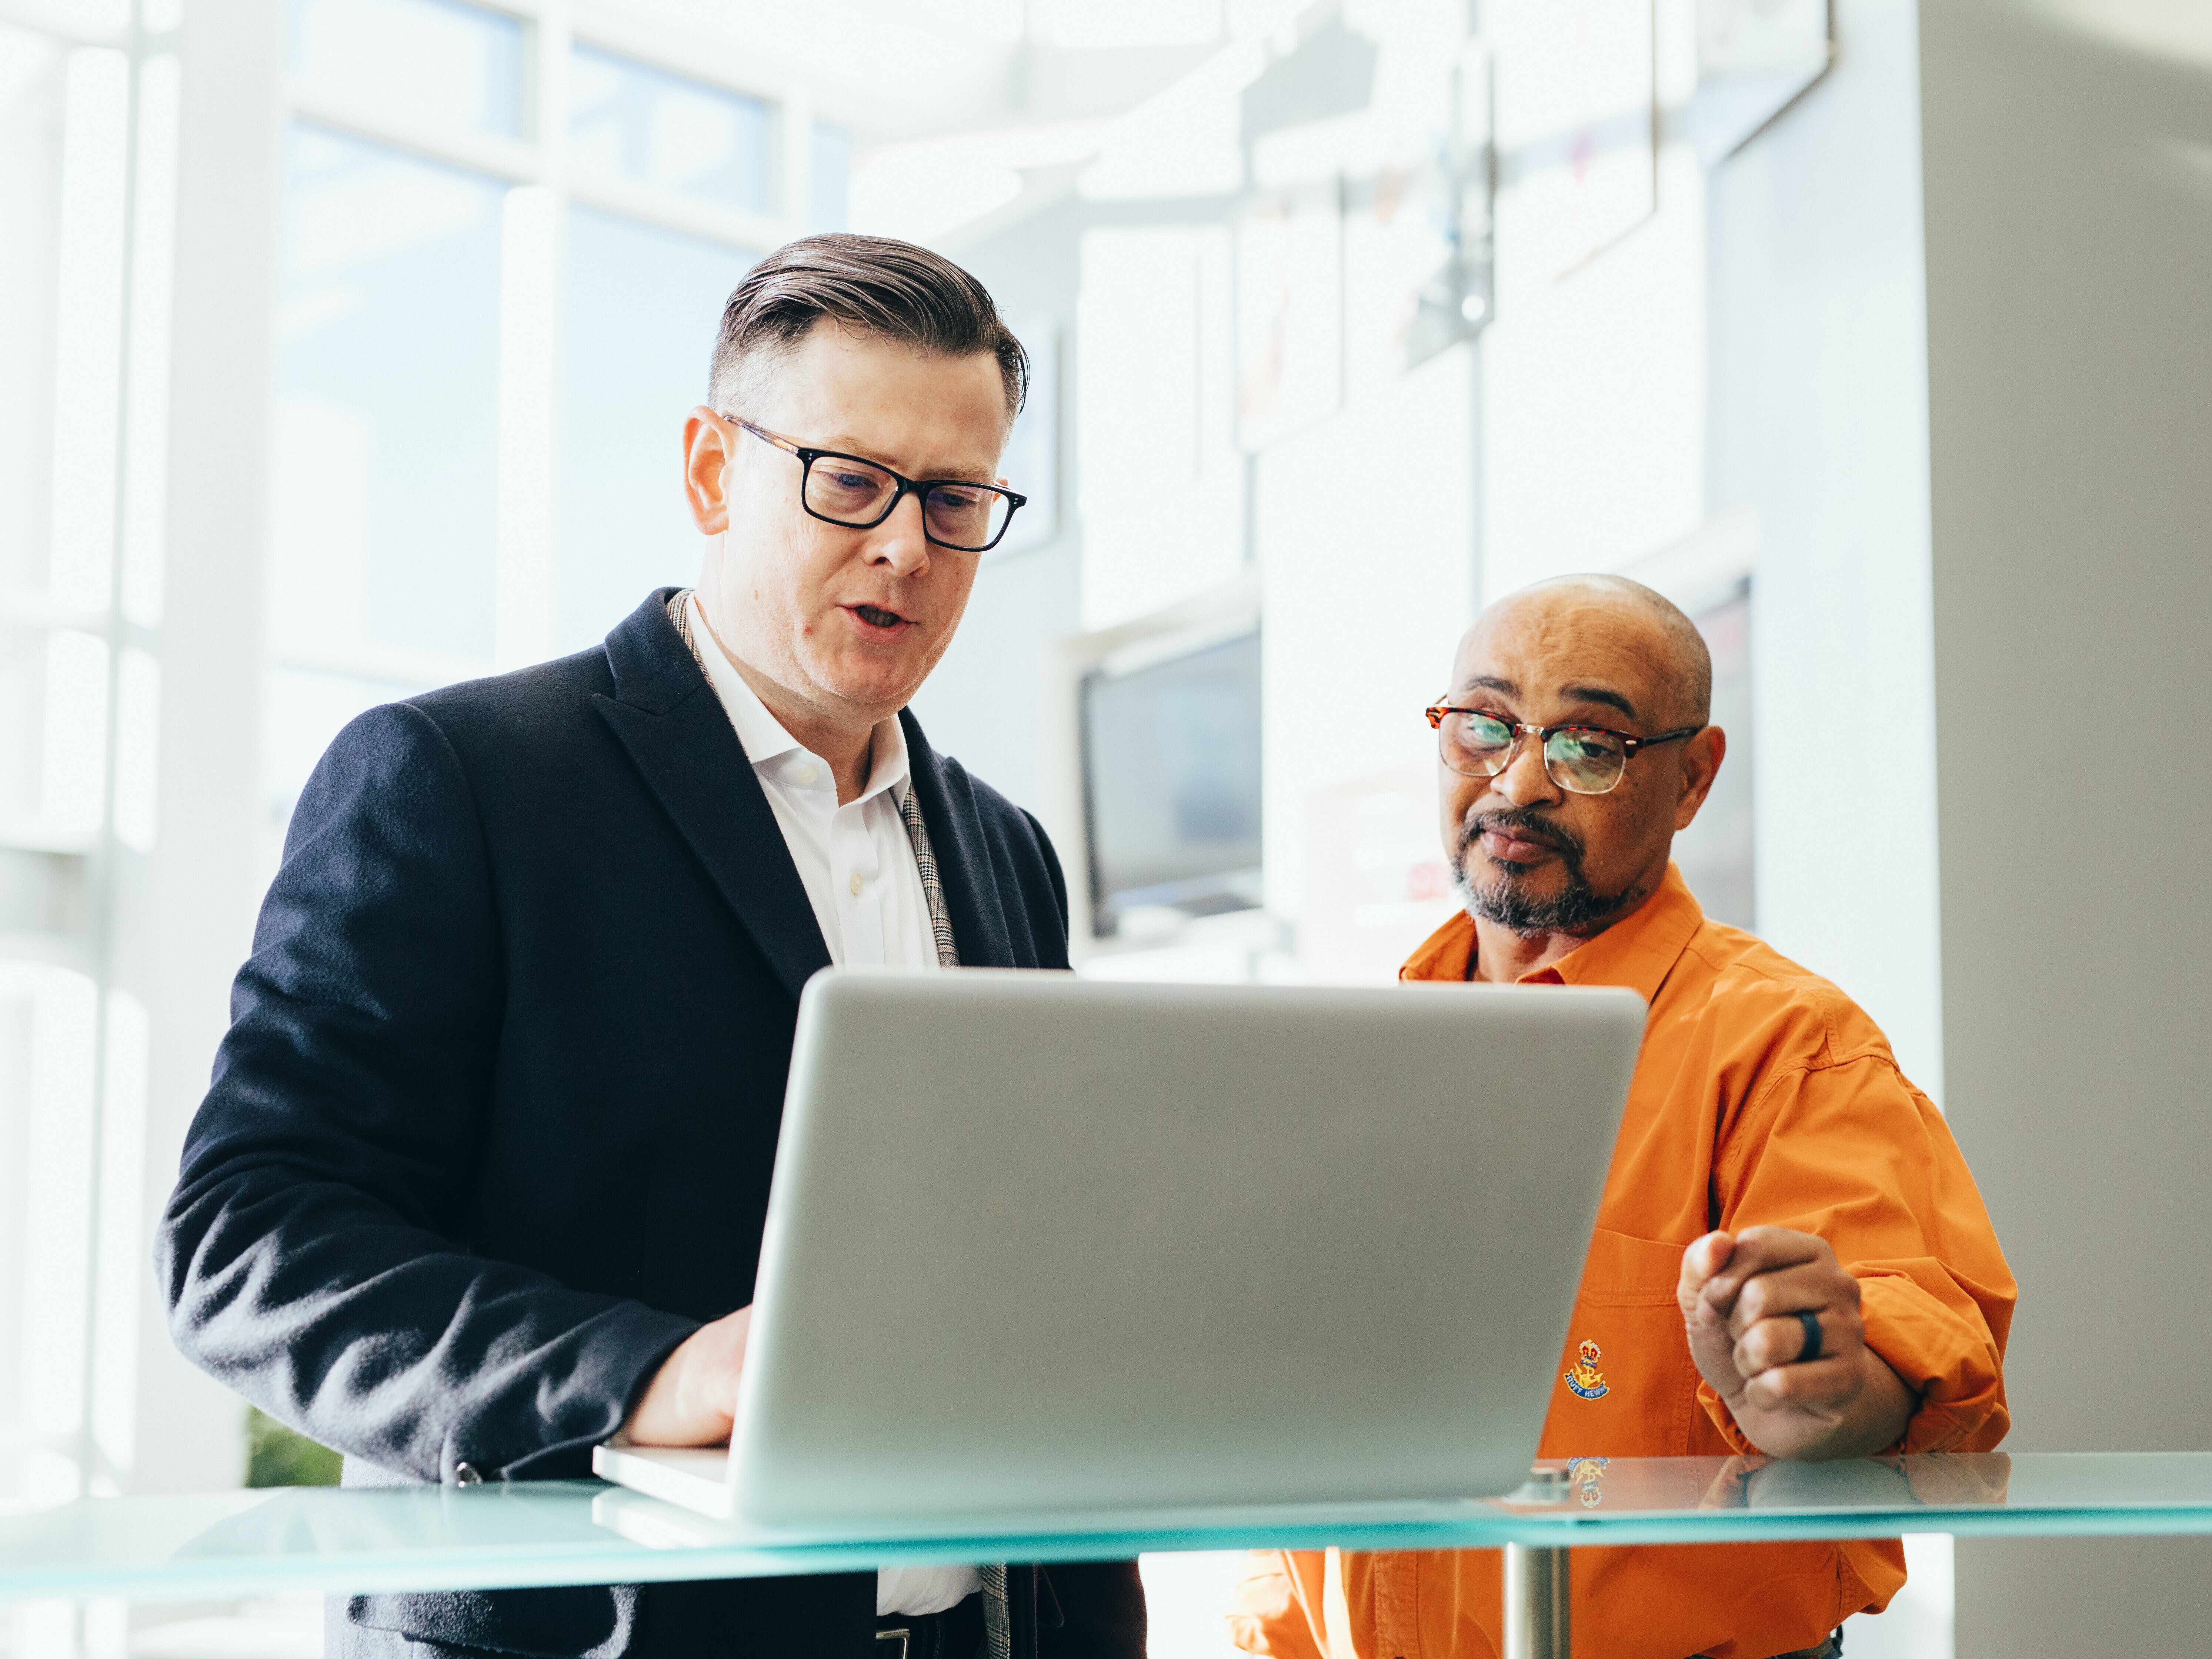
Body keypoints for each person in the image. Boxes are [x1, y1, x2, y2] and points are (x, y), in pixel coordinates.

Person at [159, 235, 1145, 1659]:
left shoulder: (1006, 850)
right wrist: (650, 1375)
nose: (904, 549)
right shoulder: (456, 777)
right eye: (849, 481)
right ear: (709, 472)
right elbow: (248, 1242)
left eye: (954, 499)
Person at [1228, 575, 2015, 1659]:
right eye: (1483, 727)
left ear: (1692, 779)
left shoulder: (1788, 1046)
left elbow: (1904, 1360)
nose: (1518, 783)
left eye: (1589, 745)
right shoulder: (1363, 1057)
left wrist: (1815, 1390)